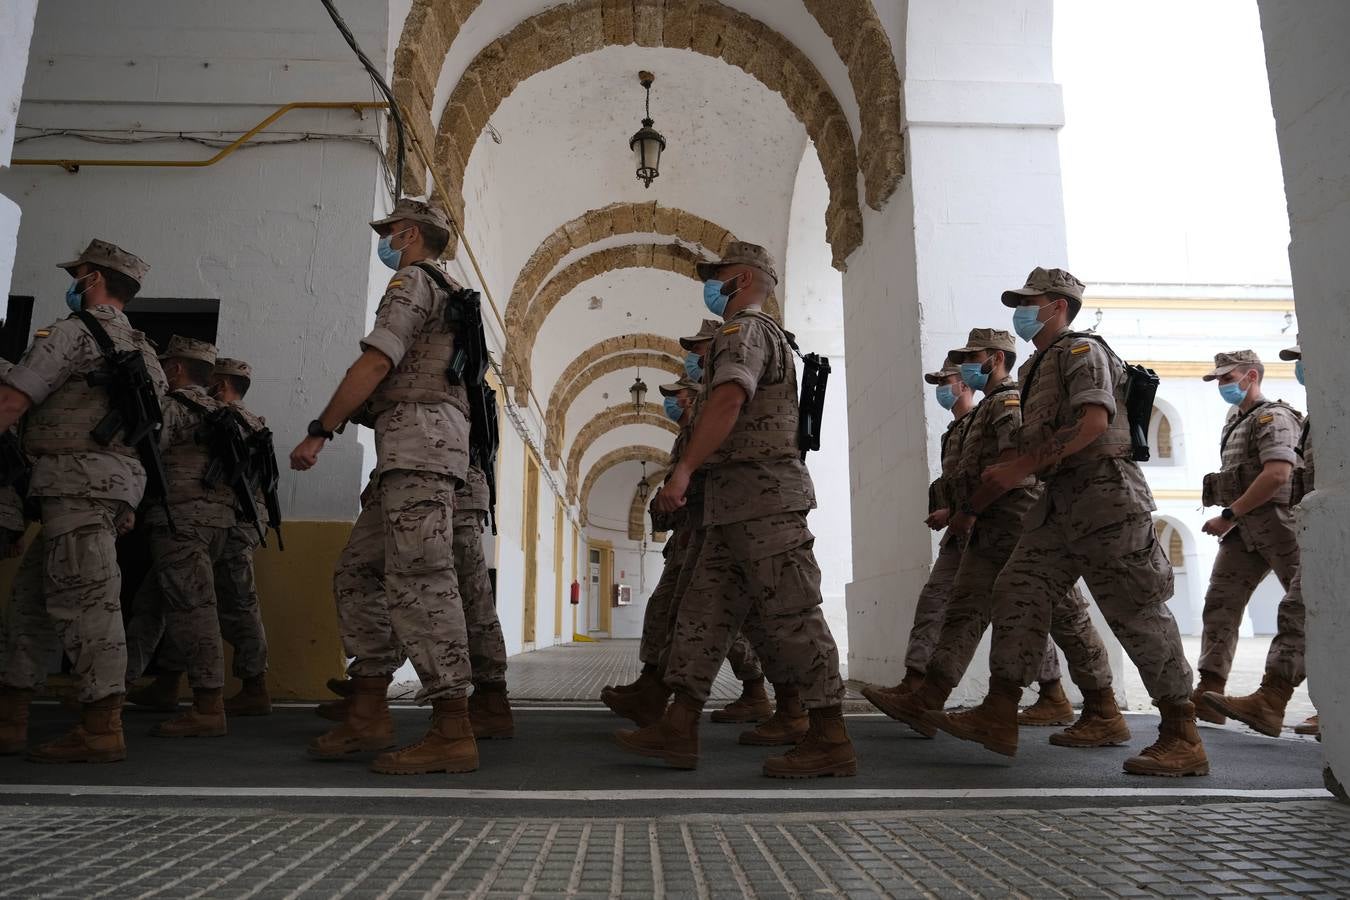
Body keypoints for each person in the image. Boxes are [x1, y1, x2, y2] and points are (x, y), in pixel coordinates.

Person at [928, 267, 1207, 777]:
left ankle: (1182, 732)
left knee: (1136, 611)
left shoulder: (1083, 352)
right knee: (1016, 589)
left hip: (1106, 498)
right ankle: (1001, 712)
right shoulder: (1039, 364)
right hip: (1057, 502)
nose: (1021, 310)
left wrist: (1019, 467)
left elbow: (1095, 420)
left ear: (1058, 305)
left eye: (1029, 301)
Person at [623, 242, 854, 778]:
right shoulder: (757, 334)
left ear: (744, 279)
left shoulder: (744, 331)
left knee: (795, 615)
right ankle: (678, 725)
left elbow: (729, 399)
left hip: (765, 503)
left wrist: (681, 473)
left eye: (718, 275)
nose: (710, 284)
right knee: (702, 615)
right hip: (731, 507)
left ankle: (830, 735)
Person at [290, 197, 478, 776]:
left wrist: (321, 430)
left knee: (420, 578)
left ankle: (452, 727)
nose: (386, 240)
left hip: (419, 446)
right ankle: (369, 706)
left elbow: (376, 362)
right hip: (411, 448)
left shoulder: (413, 283)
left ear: (409, 233)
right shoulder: (445, 290)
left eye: (391, 231)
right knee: (358, 569)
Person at [873, 329, 1123, 750]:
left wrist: (967, 510)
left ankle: (1103, 707)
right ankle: (929, 696)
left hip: (1019, 518)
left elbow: (1012, 467)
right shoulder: (985, 409)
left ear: (997, 358)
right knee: (963, 608)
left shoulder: (1008, 401)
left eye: (975, 356)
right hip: (988, 521)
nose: (968, 364)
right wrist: (965, 510)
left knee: (1066, 615)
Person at [0, 239, 166, 763]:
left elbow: (14, 399)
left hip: (74, 486)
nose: (73, 281)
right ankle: (12, 715)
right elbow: (151, 436)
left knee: (89, 606)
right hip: (100, 491)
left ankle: (100, 726)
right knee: (31, 603)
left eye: (78, 274)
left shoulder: (72, 334)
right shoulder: (146, 352)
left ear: (92, 279)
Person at [1193, 350, 1306, 737]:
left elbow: (1277, 475)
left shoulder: (1273, 417)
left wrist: (1229, 515)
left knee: (1306, 608)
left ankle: (1283, 700)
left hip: (1278, 523)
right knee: (1220, 605)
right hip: (1246, 528)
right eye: (1220, 379)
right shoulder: (1235, 420)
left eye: (1229, 377)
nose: (1223, 385)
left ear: (1251, 375)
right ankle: (1209, 692)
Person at [861, 353, 974, 706]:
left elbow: (992, 478)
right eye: (939, 383)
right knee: (933, 602)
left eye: (946, 382)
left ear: (965, 383)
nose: (942, 389)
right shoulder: (953, 432)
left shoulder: (985, 421)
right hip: (959, 533)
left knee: (1018, 610)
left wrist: (954, 510)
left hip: (989, 531)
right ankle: (915, 683)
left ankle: (1053, 690)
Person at [145, 336, 238, 739]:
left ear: (177, 370)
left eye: (166, 365)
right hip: (218, 522)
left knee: (192, 610)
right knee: (151, 604)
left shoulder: (175, 408)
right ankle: (140, 682)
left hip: (181, 520)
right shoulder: (226, 414)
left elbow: (147, 453)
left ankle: (207, 705)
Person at [209, 357, 273, 716]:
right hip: (230, 520)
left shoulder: (231, 421)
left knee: (238, 600)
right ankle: (168, 678)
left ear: (220, 385)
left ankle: (254, 685)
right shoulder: (252, 422)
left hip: (233, 521)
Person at [1276, 337, 1319, 738]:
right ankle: (1270, 700)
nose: (1300, 366)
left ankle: (1270, 700)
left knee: (1297, 607)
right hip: (1317, 531)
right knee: (1298, 609)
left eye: (1305, 358)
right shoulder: (1314, 415)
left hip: (1328, 532)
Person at [455, 462, 514, 739]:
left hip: (453, 479)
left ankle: (474, 706)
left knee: (471, 594)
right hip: (448, 478)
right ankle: (368, 689)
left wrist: (320, 433)